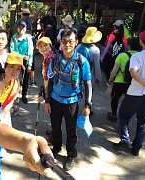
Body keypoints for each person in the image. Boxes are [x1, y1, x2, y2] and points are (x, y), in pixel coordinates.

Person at [45, 28, 92, 170]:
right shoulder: (55, 59)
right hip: (55, 100)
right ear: (61, 43)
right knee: (55, 128)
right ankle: (57, 148)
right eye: (64, 42)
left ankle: (71, 154)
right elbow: (50, 81)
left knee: (71, 131)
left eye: (71, 41)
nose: (67, 45)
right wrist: (47, 101)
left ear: (76, 42)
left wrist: (88, 105)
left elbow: (87, 83)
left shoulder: (82, 61)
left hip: (72, 102)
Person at [113, 29, 145, 156]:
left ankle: (125, 140)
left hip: (135, 92)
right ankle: (136, 148)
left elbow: (133, 72)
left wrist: (143, 82)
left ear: (141, 42)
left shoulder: (137, 56)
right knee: (143, 121)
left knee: (123, 115)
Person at [107, 37, 141, 122]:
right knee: (128, 102)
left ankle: (114, 114)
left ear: (129, 46)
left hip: (119, 83)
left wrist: (110, 80)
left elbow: (114, 70)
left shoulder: (122, 56)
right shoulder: (140, 57)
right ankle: (125, 119)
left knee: (115, 99)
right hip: (132, 84)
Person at [10, 20, 34, 104]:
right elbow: (12, 50)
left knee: (25, 80)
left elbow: (31, 52)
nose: (21, 29)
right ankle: (15, 95)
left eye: (23, 27)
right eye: (20, 27)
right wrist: (21, 56)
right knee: (15, 79)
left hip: (26, 62)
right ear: (17, 28)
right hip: (16, 61)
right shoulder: (14, 37)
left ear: (26, 28)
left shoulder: (28, 38)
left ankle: (24, 95)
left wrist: (30, 64)